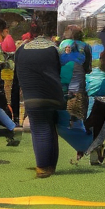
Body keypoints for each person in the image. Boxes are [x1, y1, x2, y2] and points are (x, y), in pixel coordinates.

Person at [14, 14, 65, 178]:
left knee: (39, 129)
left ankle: (43, 167)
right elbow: (59, 71)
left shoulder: (21, 49)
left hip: (31, 94)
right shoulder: (54, 49)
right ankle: (50, 166)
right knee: (50, 127)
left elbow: (18, 74)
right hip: (53, 94)